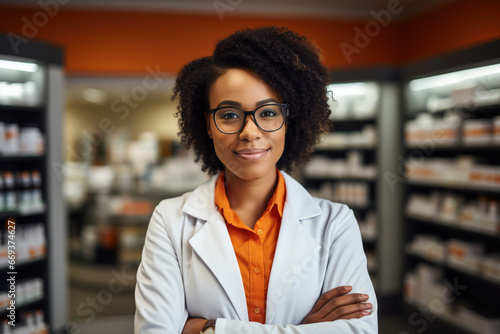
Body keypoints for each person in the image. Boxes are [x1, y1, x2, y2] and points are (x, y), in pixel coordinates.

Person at [134, 26, 377, 334]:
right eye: (229, 115)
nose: (250, 132)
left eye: (268, 112)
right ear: (207, 124)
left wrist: (208, 329)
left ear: (289, 121)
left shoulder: (335, 224)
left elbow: (360, 331)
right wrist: (302, 328)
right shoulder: (170, 221)